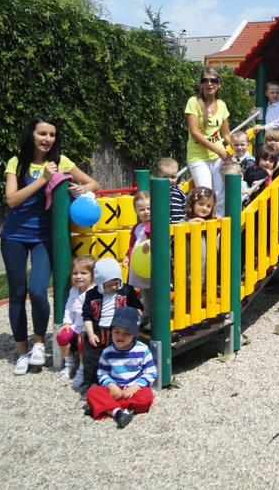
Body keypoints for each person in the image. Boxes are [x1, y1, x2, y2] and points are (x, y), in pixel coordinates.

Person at [2, 115, 98, 375]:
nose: (47, 139)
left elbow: (93, 183)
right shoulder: (17, 162)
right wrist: (43, 179)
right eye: (42, 133)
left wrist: (81, 190)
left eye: (52, 135)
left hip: (45, 236)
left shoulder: (61, 161)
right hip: (14, 235)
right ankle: (22, 352)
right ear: (31, 135)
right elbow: (12, 200)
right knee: (17, 293)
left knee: (37, 290)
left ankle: (38, 343)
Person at [85, 307, 157, 429]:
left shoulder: (142, 350)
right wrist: (111, 385)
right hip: (114, 389)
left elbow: (151, 372)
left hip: (134, 389)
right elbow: (102, 373)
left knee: (147, 397)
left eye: (126, 333)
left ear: (134, 334)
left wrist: (135, 387)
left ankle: (107, 408)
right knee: (92, 392)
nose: (120, 336)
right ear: (111, 332)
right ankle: (118, 412)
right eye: (116, 332)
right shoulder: (107, 352)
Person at [82, 258, 143, 388]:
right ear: (100, 283)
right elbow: (86, 316)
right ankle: (93, 382)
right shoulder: (91, 295)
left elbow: (136, 305)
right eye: (109, 285)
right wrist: (90, 334)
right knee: (92, 357)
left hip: (119, 331)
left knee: (119, 356)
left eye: (116, 283)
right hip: (98, 332)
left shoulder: (126, 291)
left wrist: (137, 311)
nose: (113, 287)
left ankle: (119, 380)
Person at [184, 66, 231, 217]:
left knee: (220, 195)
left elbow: (226, 134)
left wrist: (236, 149)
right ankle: (203, 227)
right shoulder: (193, 102)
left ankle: (219, 229)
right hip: (198, 156)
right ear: (201, 84)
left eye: (214, 80)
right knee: (204, 195)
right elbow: (195, 133)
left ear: (219, 84)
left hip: (218, 157)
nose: (209, 84)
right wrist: (218, 150)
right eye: (205, 80)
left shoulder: (222, 105)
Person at [55, 255, 96, 388]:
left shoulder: (93, 292)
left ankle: (82, 369)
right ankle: (69, 363)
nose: (79, 276)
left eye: (83, 273)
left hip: (89, 327)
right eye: (75, 273)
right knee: (61, 336)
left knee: (81, 342)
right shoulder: (73, 290)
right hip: (75, 324)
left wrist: (85, 330)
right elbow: (69, 308)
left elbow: (92, 314)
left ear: (92, 275)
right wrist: (67, 322)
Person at [123, 191, 151, 324]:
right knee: (145, 290)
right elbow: (132, 244)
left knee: (154, 290)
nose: (146, 212)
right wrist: (127, 256)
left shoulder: (155, 224)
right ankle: (146, 314)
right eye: (142, 209)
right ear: (136, 211)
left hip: (150, 264)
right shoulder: (137, 227)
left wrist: (149, 243)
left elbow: (161, 238)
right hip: (139, 265)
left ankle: (155, 315)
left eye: (149, 208)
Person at [156, 158, 186, 224]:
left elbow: (186, 206)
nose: (169, 180)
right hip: (162, 226)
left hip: (178, 226)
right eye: (165, 177)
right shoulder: (156, 192)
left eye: (173, 177)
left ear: (177, 176)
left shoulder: (179, 192)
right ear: (158, 175)